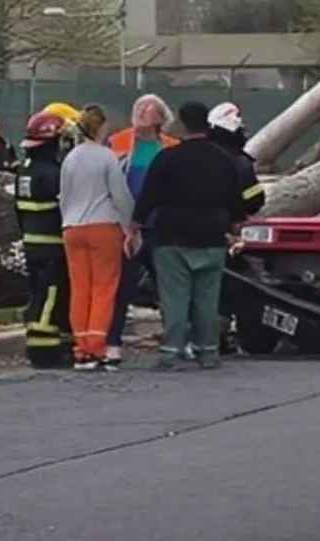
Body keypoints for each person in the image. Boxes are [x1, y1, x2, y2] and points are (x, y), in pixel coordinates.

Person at [127, 101, 256, 370]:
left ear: (182, 125)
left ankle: (171, 352)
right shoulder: (223, 159)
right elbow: (236, 199)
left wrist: (135, 224)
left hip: (172, 238)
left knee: (175, 298)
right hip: (211, 238)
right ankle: (208, 352)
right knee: (207, 300)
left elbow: (150, 196)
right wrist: (235, 225)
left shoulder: (168, 158)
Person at [59, 104, 135, 372]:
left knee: (80, 288)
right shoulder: (107, 157)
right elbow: (120, 195)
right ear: (101, 127)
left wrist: (66, 222)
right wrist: (130, 227)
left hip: (72, 227)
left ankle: (80, 349)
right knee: (104, 288)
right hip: (103, 226)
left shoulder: (70, 159)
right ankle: (98, 347)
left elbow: (64, 196)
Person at [106, 94, 180, 367]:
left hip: (160, 227)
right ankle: (112, 341)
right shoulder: (117, 142)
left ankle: (176, 341)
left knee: (169, 287)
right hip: (125, 227)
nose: (139, 111)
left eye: (147, 109)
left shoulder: (172, 148)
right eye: (137, 107)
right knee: (122, 286)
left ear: (161, 118)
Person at [206, 102, 266, 354]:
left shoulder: (198, 155)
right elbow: (254, 200)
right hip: (226, 234)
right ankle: (220, 336)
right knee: (231, 286)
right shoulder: (240, 163)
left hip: (187, 231)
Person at [14, 111, 71, 369]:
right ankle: (43, 348)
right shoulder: (53, 173)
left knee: (39, 291)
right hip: (52, 243)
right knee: (51, 293)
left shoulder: (24, 169)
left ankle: (55, 340)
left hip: (31, 241)